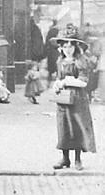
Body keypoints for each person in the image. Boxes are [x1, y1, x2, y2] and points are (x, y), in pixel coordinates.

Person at [50, 24, 97, 171]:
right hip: (63, 99)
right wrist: (57, 84)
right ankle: (65, 159)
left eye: (71, 46)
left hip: (77, 99)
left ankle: (77, 160)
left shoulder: (80, 61)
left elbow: (83, 81)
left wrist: (66, 81)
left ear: (76, 47)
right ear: (61, 47)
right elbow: (58, 77)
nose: (68, 49)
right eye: (65, 46)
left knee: (76, 127)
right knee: (63, 127)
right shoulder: (60, 61)